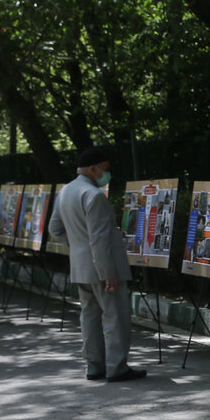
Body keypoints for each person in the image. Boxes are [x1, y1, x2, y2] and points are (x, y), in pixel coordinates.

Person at [51, 148, 145, 382]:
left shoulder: (65, 192)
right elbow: (99, 239)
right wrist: (108, 274)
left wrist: (77, 247)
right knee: (114, 317)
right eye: (106, 168)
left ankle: (94, 365)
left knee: (89, 317)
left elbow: (55, 230)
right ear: (94, 168)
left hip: (80, 267)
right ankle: (117, 367)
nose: (107, 173)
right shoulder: (93, 195)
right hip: (102, 268)